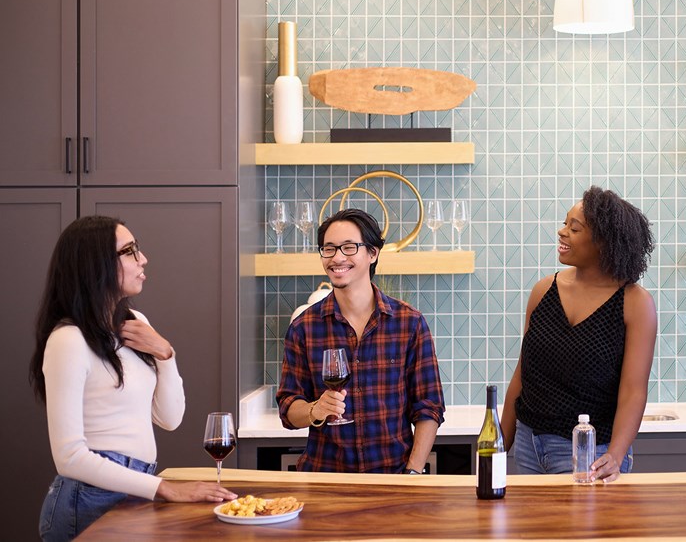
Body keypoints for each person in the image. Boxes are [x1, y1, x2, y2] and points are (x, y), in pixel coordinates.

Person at [29, 216, 236, 541]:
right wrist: (165, 489)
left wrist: (166, 355)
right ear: (95, 266)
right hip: (88, 498)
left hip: (134, 486)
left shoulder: (135, 322)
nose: (143, 259)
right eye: (129, 251)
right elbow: (68, 457)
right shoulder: (69, 339)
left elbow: (170, 419)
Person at [501, 186, 657, 483]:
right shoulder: (543, 290)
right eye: (564, 224)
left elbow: (633, 391)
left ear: (603, 242)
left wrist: (616, 454)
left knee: (586, 531)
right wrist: (498, 446)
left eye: (574, 228)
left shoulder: (635, 303)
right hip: (528, 444)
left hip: (590, 451)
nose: (562, 233)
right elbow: (524, 373)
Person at [276, 208, 445, 473]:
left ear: (372, 253)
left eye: (348, 247)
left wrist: (412, 472)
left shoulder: (409, 323)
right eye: (328, 249)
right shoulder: (304, 328)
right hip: (326, 481)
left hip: (393, 478)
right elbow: (288, 408)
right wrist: (315, 410)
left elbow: (429, 407)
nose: (337, 257)